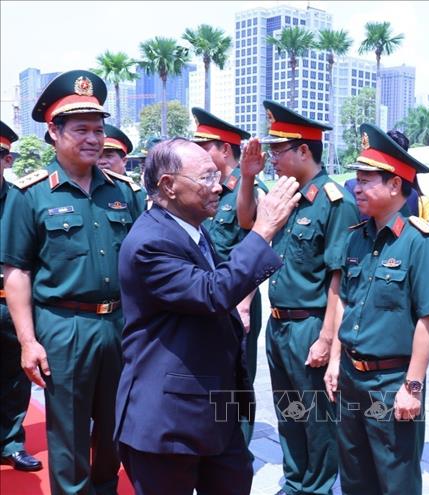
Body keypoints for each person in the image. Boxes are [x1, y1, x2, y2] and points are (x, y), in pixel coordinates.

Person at [114, 138, 300, 495]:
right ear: (168, 185)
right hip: (167, 423)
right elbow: (212, 291)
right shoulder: (150, 242)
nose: (217, 186)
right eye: (206, 178)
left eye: (217, 175)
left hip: (211, 409)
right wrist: (262, 231)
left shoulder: (192, 230)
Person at [0, 70, 142, 494]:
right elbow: (17, 271)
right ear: (54, 131)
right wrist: (28, 340)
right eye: (81, 129)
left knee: (117, 424)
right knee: (70, 434)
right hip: (64, 328)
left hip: (119, 326)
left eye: (98, 129)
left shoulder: (126, 191)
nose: (93, 138)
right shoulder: (32, 194)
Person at [237, 100, 359, 495]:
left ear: (304, 151)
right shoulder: (284, 195)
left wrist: (327, 339)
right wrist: (247, 178)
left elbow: (338, 280)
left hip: (311, 323)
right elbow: (246, 223)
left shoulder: (334, 201)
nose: (272, 157)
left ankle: (319, 486)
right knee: (290, 411)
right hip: (279, 323)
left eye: (278, 150)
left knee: (318, 417)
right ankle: (295, 480)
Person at [324, 123, 429, 494]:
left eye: (366, 180)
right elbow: (345, 302)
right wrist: (335, 360)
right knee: (355, 475)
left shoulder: (420, 243)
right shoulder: (355, 238)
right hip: (351, 377)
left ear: (395, 185)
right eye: (357, 179)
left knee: (395, 476)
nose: (357, 187)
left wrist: (412, 386)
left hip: (390, 383)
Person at [191, 106, 268, 448]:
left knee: (239, 379)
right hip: (209, 296)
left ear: (225, 150)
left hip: (238, 301)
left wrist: (246, 305)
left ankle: (240, 450)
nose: (198, 153)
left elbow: (255, 246)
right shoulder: (208, 190)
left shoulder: (250, 189)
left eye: (204, 146)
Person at [0, 121, 42, 472]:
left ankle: (11, 442)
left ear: (8, 160)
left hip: (9, 305)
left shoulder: (21, 199)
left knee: (15, 377)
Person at [343, 130, 429, 221]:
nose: (357, 190)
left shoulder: (411, 195)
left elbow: (410, 228)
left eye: (365, 181)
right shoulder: (351, 187)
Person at [97, 123, 148, 211]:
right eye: (98, 156)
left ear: (124, 161)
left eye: (108, 156)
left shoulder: (135, 194)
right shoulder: (85, 190)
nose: (102, 162)